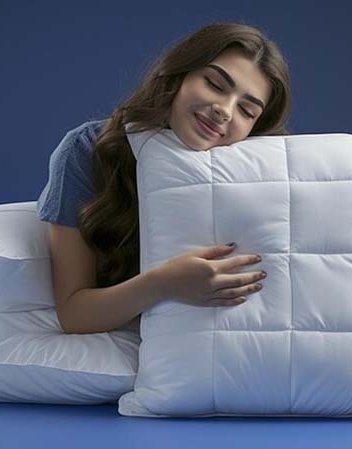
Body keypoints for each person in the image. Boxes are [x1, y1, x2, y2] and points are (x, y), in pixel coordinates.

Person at [36, 22, 292, 334]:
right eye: (214, 84)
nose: (224, 110)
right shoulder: (89, 149)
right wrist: (164, 283)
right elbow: (74, 314)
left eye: (247, 111)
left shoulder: (263, 173)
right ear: (178, 75)